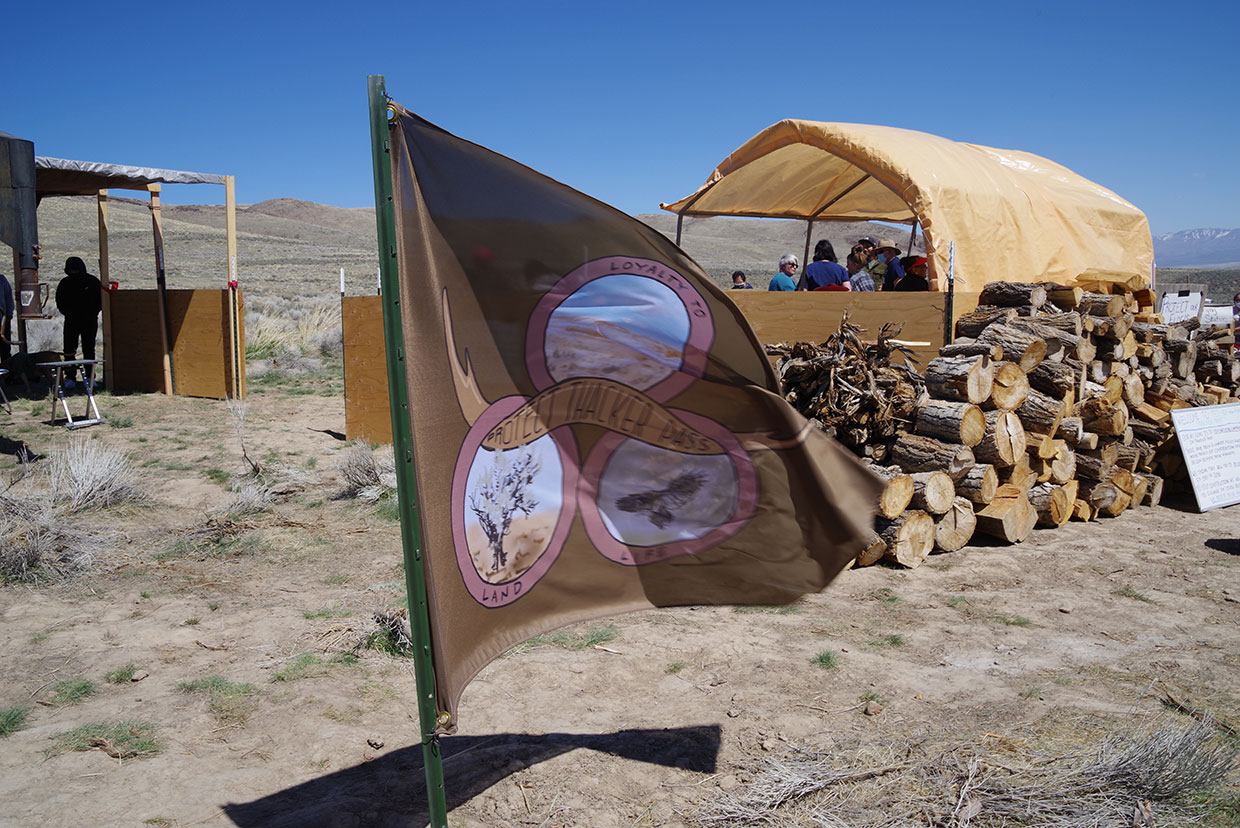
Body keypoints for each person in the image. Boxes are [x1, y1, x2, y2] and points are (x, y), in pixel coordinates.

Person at [56, 256, 103, 386]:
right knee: (69, 349)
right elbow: (60, 301)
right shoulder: (65, 283)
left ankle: (90, 377)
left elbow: (100, 300)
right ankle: (70, 377)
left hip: (89, 320)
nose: (74, 272)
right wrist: (69, 313)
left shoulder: (92, 282)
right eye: (71, 270)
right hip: (71, 320)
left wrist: (92, 313)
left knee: (89, 348)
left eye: (76, 269)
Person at [0, 272, 12, 365]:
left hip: (3, 321)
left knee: (5, 349)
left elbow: (8, 298)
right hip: (3, 319)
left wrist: (8, 315)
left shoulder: (2, 280)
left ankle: (6, 369)